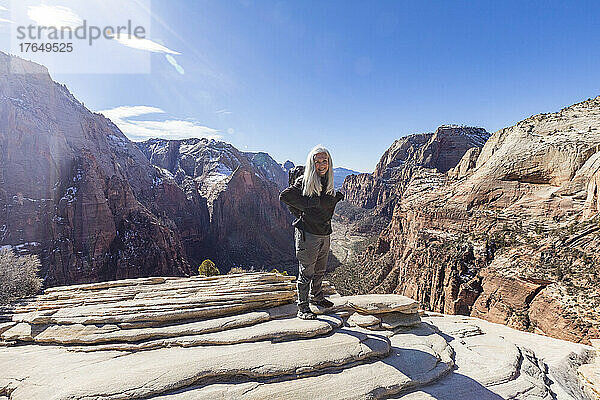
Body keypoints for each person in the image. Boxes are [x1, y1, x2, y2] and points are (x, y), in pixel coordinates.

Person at [279, 145, 345, 319]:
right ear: (312, 163)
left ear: (329, 162)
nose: (322, 165)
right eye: (317, 162)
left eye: (325, 161)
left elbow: (322, 205)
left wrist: (335, 198)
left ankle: (317, 297)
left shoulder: (327, 181)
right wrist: (307, 206)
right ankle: (302, 307)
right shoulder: (305, 181)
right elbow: (285, 196)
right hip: (308, 234)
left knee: (320, 270)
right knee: (307, 271)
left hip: (325, 233)